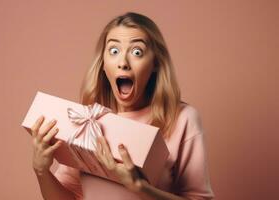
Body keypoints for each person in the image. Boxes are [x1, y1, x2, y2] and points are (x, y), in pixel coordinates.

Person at [29, 12, 215, 200]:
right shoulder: (89, 122)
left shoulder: (182, 118)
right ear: (103, 63)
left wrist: (139, 187)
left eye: (136, 52)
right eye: (114, 51)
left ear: (156, 63)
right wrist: (42, 171)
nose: (123, 63)